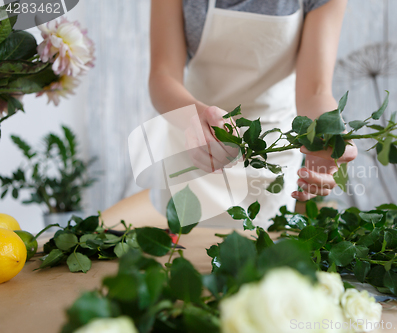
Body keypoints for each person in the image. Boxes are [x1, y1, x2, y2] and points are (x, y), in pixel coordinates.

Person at [103, 0, 357, 228]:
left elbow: (314, 90)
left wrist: (329, 131)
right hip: (193, 145)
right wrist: (192, 117)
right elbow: (163, 76)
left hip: (270, 156)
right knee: (181, 263)